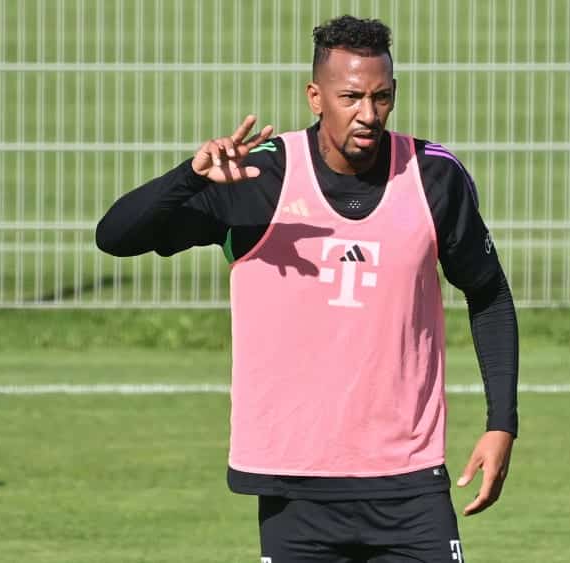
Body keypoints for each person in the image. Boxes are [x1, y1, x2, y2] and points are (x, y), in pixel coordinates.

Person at [97, 15, 518, 562]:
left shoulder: (433, 176)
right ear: (315, 97)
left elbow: (489, 295)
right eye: (351, 97)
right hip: (295, 487)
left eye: (381, 97)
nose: (368, 114)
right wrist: (190, 177)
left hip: (410, 481)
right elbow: (115, 237)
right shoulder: (258, 180)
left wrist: (501, 424)